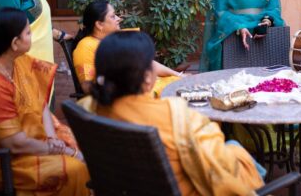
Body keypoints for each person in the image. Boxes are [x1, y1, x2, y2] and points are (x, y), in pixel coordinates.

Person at [90, 31, 265, 195]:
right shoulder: (177, 116)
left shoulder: (92, 108)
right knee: (236, 148)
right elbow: (219, 168)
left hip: (128, 187)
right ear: (147, 77)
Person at [0, 8, 90, 195]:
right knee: (74, 169)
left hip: (26, 146)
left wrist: (52, 139)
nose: (32, 36)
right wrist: (59, 150)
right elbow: (15, 143)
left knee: (81, 148)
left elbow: (41, 105)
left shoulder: (21, 63)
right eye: (28, 32)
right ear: (15, 43)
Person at [73, 0, 181, 96]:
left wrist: (178, 75)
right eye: (113, 16)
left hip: (144, 87)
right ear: (99, 24)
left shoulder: (115, 40)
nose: (119, 19)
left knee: (178, 82)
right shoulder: (86, 46)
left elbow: (146, 63)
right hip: (131, 96)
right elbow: (86, 86)